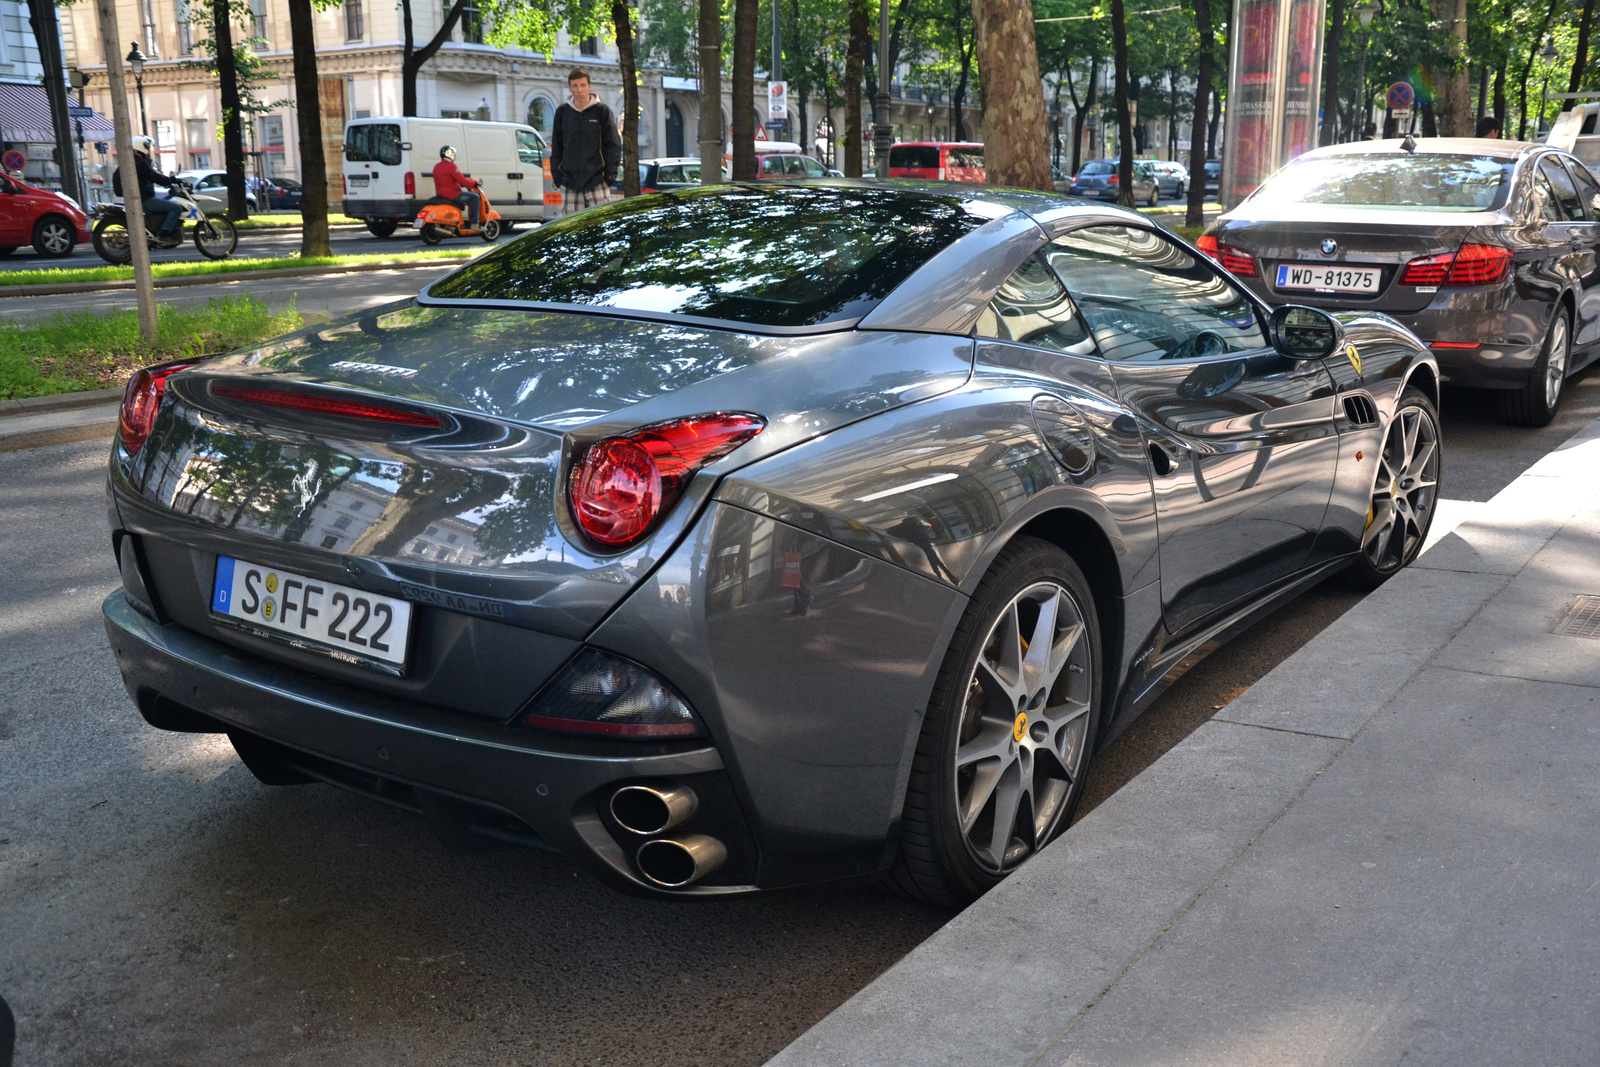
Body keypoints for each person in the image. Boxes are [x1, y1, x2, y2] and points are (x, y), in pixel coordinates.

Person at [550, 67, 621, 215]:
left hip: (597, 182)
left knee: (600, 230)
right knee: (571, 232)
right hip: (569, 183)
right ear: (569, 88)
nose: (579, 90)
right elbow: (557, 147)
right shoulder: (563, 113)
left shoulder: (602, 111)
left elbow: (613, 145)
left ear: (589, 86)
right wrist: (558, 178)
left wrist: (608, 178)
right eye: (575, 86)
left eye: (583, 85)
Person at [112, 135, 183, 243]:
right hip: (145, 199)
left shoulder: (128, 162)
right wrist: (171, 180)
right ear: (142, 147)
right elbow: (154, 176)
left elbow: (117, 176)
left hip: (135, 199)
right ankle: (163, 235)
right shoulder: (140, 162)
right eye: (147, 147)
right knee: (176, 208)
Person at [431, 145, 480, 228]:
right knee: (475, 197)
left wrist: (462, 183)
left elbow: (448, 181)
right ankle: (475, 223)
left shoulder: (437, 166)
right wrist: (474, 184)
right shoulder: (452, 166)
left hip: (440, 194)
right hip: (453, 195)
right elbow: (463, 181)